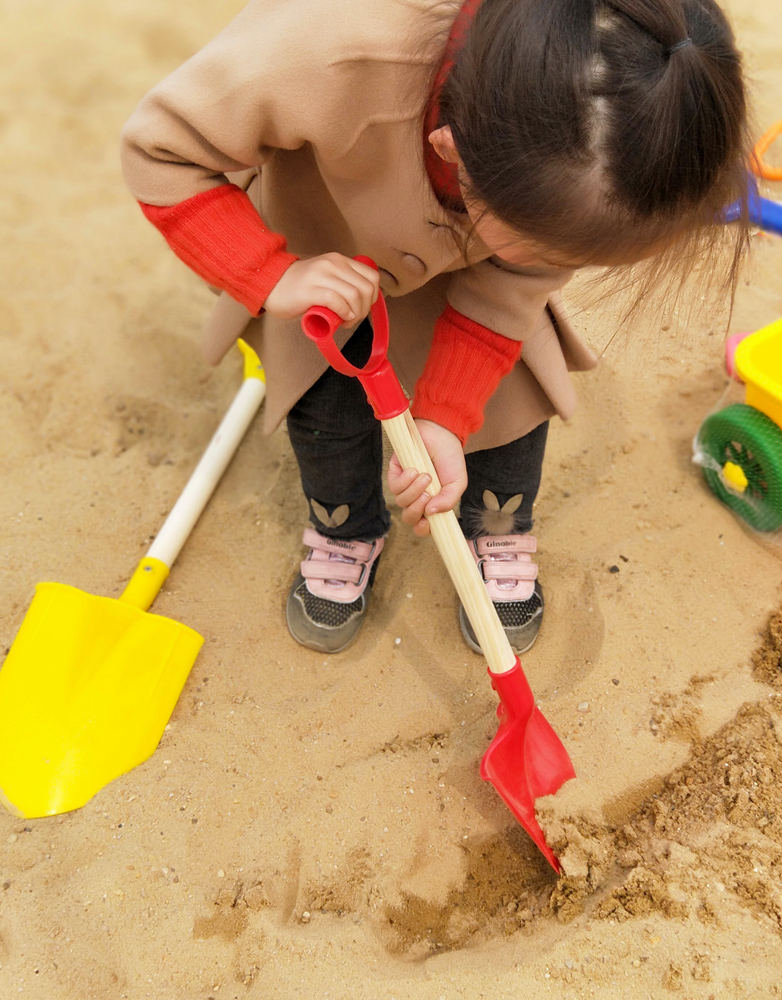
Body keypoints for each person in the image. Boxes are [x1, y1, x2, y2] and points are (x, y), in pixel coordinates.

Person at [121, 0, 750, 655]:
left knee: (509, 400)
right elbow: (160, 148)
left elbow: (516, 283)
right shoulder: (326, 46)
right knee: (327, 407)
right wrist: (272, 275)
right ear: (452, 151)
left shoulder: (613, 134)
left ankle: (497, 525)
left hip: (469, 259)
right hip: (324, 250)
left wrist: (447, 415)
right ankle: (345, 528)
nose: (565, 267)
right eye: (552, 249)